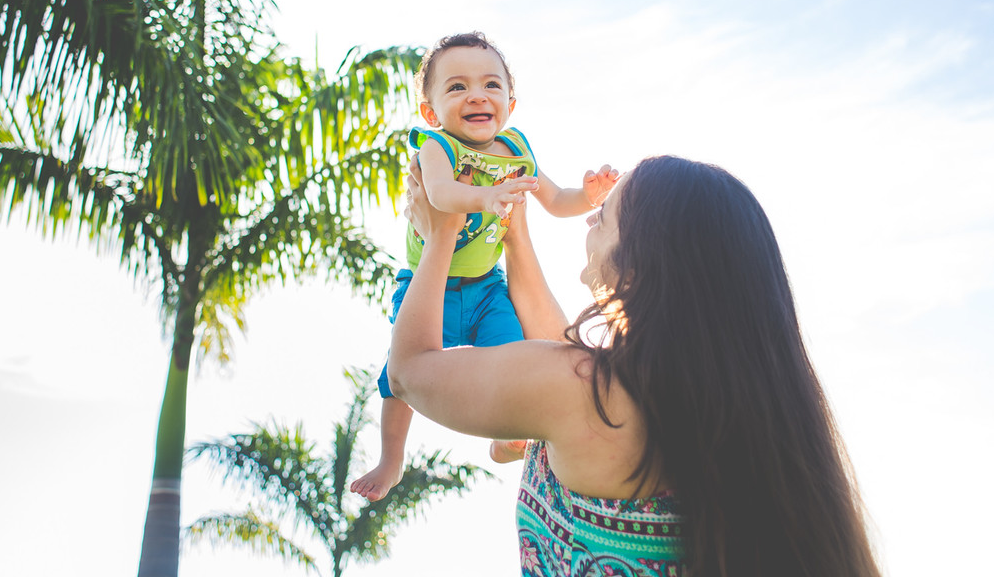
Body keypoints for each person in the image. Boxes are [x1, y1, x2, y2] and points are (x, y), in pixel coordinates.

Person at [387, 155, 883, 577]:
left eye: (602, 218)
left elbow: (408, 373)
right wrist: (516, 239)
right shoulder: (731, 416)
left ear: (640, 262)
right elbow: (555, 349)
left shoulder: (584, 392)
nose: (586, 222)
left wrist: (441, 234)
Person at [350, 32, 618, 502]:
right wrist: (484, 197)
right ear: (431, 112)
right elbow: (439, 195)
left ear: (509, 104)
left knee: (514, 352)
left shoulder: (515, 149)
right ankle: (391, 460)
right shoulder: (437, 147)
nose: (476, 94)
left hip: (486, 287)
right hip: (425, 286)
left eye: (490, 85)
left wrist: (590, 197)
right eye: (456, 87)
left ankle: (505, 434)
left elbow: (553, 200)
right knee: (397, 378)